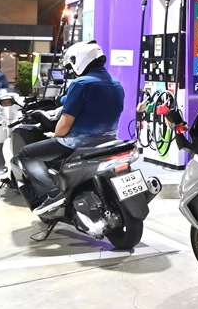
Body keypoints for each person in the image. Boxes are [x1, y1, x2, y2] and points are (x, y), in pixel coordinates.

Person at [17, 41, 125, 214]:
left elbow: (66, 121)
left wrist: (55, 135)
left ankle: (52, 193)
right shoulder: (116, 83)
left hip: (79, 142)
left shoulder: (80, 84)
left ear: (79, 60)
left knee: (26, 154)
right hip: (110, 140)